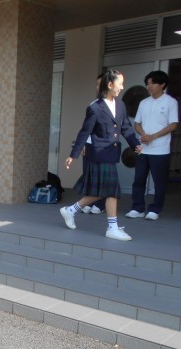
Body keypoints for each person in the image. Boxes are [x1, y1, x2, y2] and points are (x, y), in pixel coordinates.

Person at [60, 69, 142, 241]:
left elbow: (126, 127)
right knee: (111, 191)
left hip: (111, 154)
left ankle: (70, 210)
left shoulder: (120, 105)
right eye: (120, 84)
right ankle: (112, 228)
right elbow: (85, 132)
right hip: (98, 154)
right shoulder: (95, 108)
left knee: (100, 192)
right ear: (110, 84)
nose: (122, 87)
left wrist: (135, 144)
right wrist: (73, 155)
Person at [125, 70, 178, 221]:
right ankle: (137, 208)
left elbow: (173, 125)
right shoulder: (144, 102)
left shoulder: (170, 102)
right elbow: (137, 124)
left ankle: (155, 209)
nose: (149, 86)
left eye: (153, 83)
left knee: (159, 181)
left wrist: (153, 136)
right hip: (143, 148)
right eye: (148, 83)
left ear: (162, 84)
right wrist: (143, 134)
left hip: (160, 149)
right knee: (139, 179)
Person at [81, 74, 106, 215]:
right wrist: (83, 144)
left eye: (101, 84)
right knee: (89, 176)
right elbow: (86, 128)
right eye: (97, 84)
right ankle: (88, 202)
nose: (98, 87)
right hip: (90, 145)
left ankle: (100, 204)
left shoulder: (116, 106)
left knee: (101, 177)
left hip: (104, 147)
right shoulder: (93, 105)